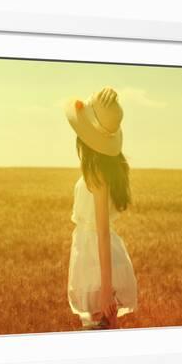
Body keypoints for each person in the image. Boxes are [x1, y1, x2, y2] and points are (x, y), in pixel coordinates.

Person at [64, 87, 138, 330]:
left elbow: (103, 232)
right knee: (104, 330)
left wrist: (106, 291)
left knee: (98, 329)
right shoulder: (101, 169)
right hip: (96, 258)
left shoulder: (97, 173)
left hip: (96, 262)